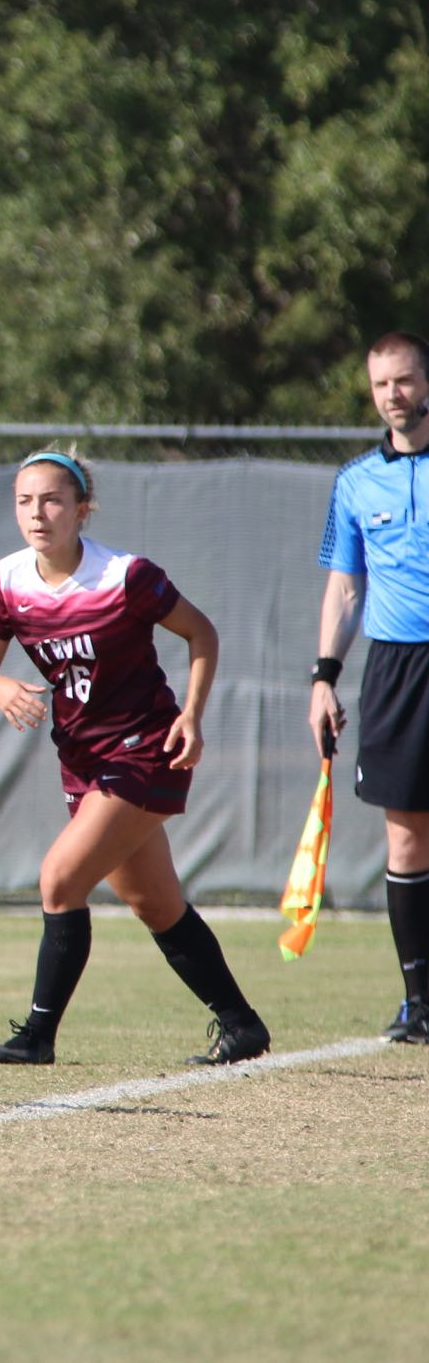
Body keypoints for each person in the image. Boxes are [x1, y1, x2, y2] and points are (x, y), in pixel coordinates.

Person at [0, 449, 270, 1067]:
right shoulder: (8, 581)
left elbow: (202, 633)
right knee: (154, 903)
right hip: (80, 757)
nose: (37, 513)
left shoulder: (124, 576)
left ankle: (38, 1035)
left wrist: (192, 715)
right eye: (25, 501)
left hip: (143, 749)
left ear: (82, 509)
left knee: (59, 879)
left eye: (52, 500)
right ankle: (242, 1026)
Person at [308, 330, 429, 1045]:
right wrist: (324, 676)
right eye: (383, 384)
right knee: (406, 837)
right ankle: (419, 1001)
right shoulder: (355, 482)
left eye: (406, 380)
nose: (395, 395)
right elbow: (345, 586)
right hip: (395, 669)